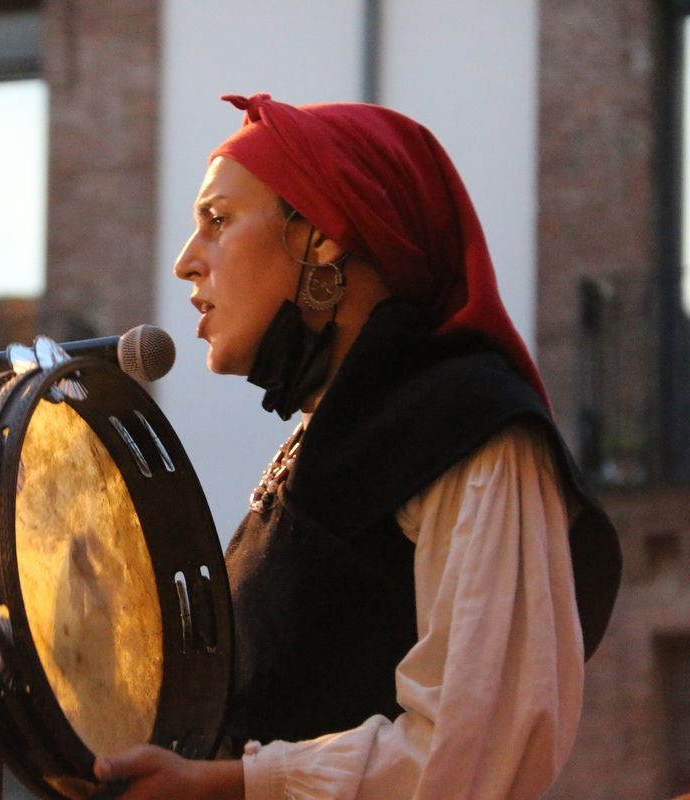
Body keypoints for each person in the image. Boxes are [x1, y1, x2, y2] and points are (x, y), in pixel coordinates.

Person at [92, 94, 622, 799]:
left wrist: (227, 787)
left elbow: (477, 754)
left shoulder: (468, 426)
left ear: (322, 236)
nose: (187, 263)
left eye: (218, 222)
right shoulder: (322, 441)